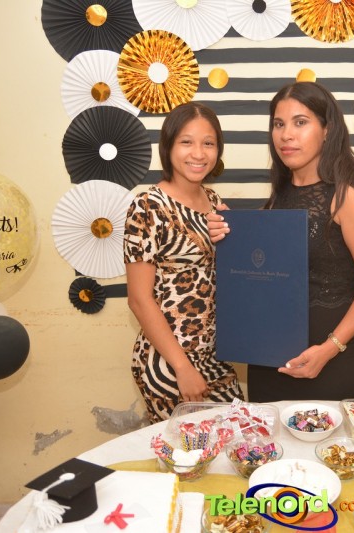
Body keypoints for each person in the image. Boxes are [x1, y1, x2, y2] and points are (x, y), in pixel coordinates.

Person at [211, 81, 354, 401]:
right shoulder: (279, 196)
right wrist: (230, 231)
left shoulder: (348, 197)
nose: (286, 135)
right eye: (278, 124)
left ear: (327, 130)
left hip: (330, 363)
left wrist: (329, 348)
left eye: (300, 122)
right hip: (269, 362)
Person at [124, 101, 243, 422]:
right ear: (168, 146)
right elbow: (138, 299)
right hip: (169, 361)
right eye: (186, 142)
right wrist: (182, 367)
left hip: (214, 355)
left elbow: (235, 272)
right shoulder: (148, 206)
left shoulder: (215, 202)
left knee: (235, 440)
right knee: (186, 451)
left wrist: (238, 236)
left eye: (209, 143)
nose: (199, 153)